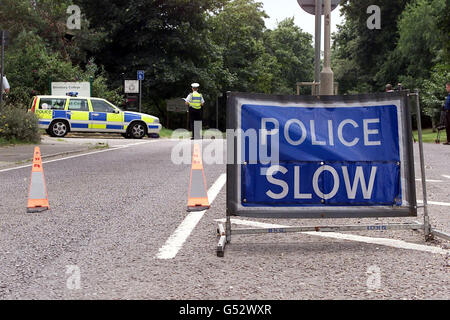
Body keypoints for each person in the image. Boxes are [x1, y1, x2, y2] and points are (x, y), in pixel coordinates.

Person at [443, 81, 450, 145]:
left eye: (447, 87)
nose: (446, 88)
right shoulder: (448, 95)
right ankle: (448, 140)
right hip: (447, 112)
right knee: (447, 126)